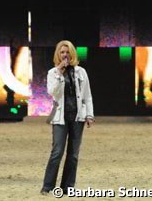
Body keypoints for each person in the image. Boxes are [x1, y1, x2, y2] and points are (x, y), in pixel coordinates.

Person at [40, 40, 95, 196]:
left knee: (73, 154)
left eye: (67, 52)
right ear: (58, 54)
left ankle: (67, 187)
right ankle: (47, 186)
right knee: (57, 152)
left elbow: (87, 96)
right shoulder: (53, 73)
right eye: (62, 52)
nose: (65, 55)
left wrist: (89, 114)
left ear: (72, 54)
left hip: (78, 117)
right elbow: (52, 92)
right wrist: (59, 73)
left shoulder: (81, 72)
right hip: (60, 117)